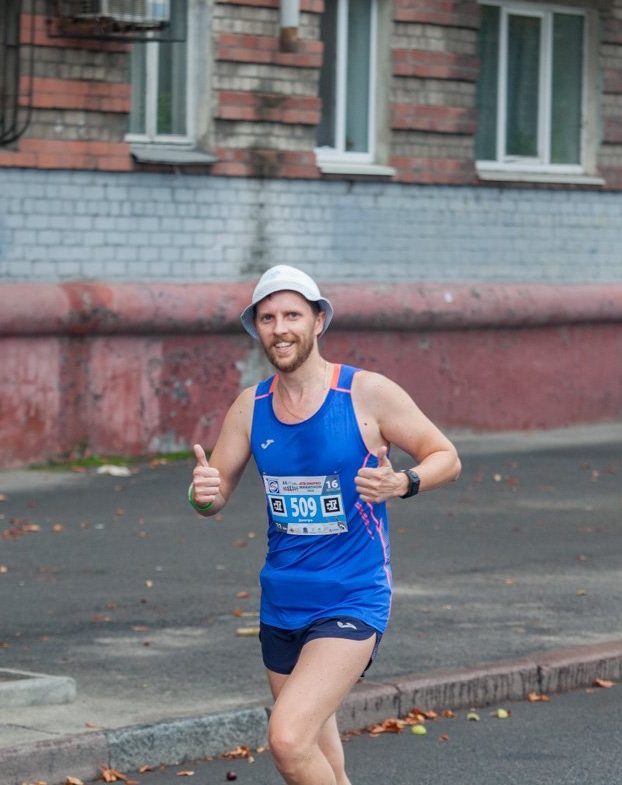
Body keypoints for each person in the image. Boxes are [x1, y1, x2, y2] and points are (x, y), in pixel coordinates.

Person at [188, 265, 461, 785]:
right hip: (282, 600)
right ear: (256, 329)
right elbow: (213, 497)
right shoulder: (251, 407)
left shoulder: (365, 393)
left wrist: (402, 483)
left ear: (318, 321)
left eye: (292, 315)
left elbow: (446, 457)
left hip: (352, 596)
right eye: (267, 318)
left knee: (288, 739)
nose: (280, 328)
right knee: (322, 761)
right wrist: (200, 494)